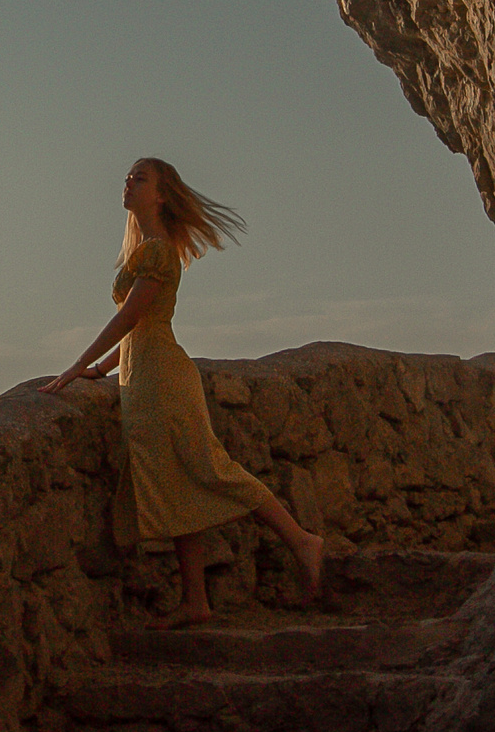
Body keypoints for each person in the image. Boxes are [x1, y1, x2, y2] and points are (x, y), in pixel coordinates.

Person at [41, 158, 328, 625]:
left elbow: (131, 317)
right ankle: (196, 602)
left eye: (140, 178)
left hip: (163, 379)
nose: (128, 182)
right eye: (128, 177)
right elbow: (138, 327)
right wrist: (101, 369)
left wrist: (77, 366)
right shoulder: (146, 250)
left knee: (212, 469)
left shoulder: (158, 252)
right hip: (142, 377)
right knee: (176, 486)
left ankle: (301, 540)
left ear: (161, 195)